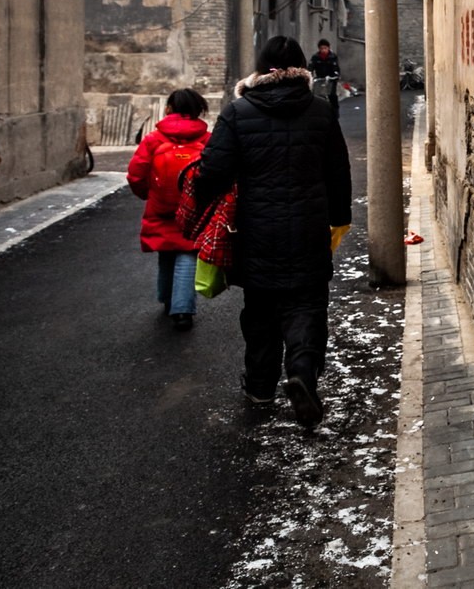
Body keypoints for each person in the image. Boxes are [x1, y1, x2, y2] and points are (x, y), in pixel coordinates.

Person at [195, 36, 352, 429]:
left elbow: (211, 173)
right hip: (309, 228)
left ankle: (261, 386)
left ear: (260, 70)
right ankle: (302, 372)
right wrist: (339, 218)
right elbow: (338, 172)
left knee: (260, 310)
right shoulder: (320, 112)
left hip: (256, 231)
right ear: (302, 70)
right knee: (307, 306)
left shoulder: (238, 112)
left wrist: (208, 199)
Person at [126, 88, 211, 331]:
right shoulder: (207, 139)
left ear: (169, 108)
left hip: (161, 206)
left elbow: (135, 174)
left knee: (166, 250)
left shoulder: (154, 139)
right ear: (198, 110)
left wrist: (148, 194)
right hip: (195, 208)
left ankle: (166, 299)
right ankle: (182, 310)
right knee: (188, 252)